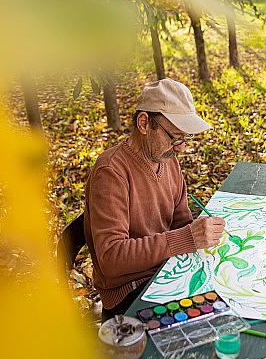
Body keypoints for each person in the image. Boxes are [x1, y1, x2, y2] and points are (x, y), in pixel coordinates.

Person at [83, 78, 225, 319]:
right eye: (175, 137)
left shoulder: (167, 160)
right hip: (130, 292)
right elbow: (111, 258)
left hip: (166, 272)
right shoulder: (111, 173)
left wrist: (197, 233)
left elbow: (181, 222)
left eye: (185, 138)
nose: (180, 148)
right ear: (144, 123)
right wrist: (187, 237)